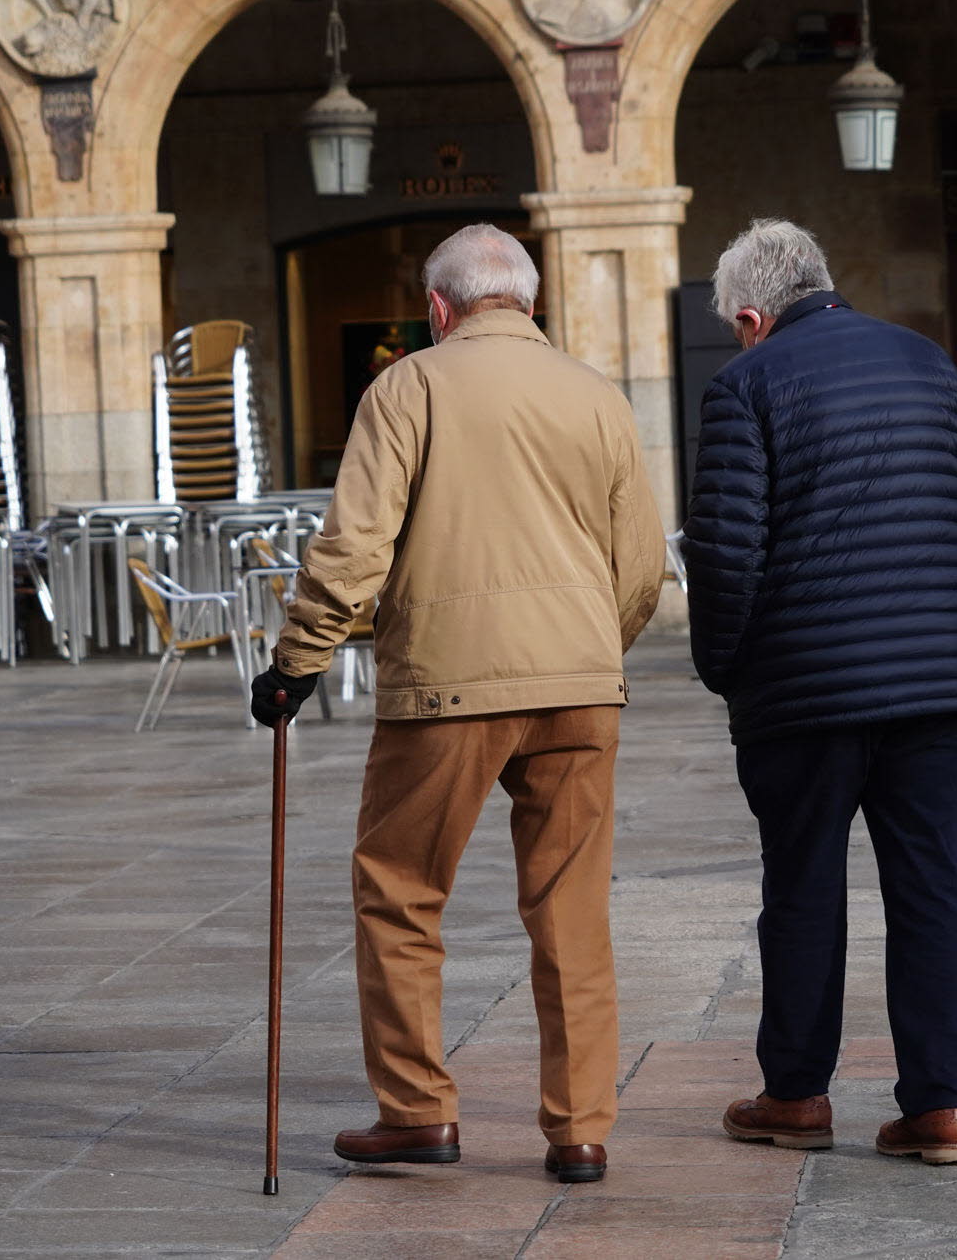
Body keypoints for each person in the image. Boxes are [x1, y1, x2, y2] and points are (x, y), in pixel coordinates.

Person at [250, 223, 665, 1185]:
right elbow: (642, 565)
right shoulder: (596, 395)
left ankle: (417, 1110)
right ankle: (579, 1128)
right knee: (573, 909)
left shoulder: (408, 386)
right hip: (580, 687)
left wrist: (297, 660)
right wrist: (591, 649)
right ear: (528, 301)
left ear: (438, 308)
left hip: (444, 686)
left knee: (399, 891)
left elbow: (355, 546)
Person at [682, 219, 957, 1167]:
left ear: (753, 316)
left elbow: (723, 556)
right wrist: (954, 634)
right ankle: (941, 1108)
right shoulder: (926, 360)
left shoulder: (744, 385)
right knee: (931, 889)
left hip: (802, 699)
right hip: (937, 695)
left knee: (800, 889)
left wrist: (728, 669)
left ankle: (795, 1094)